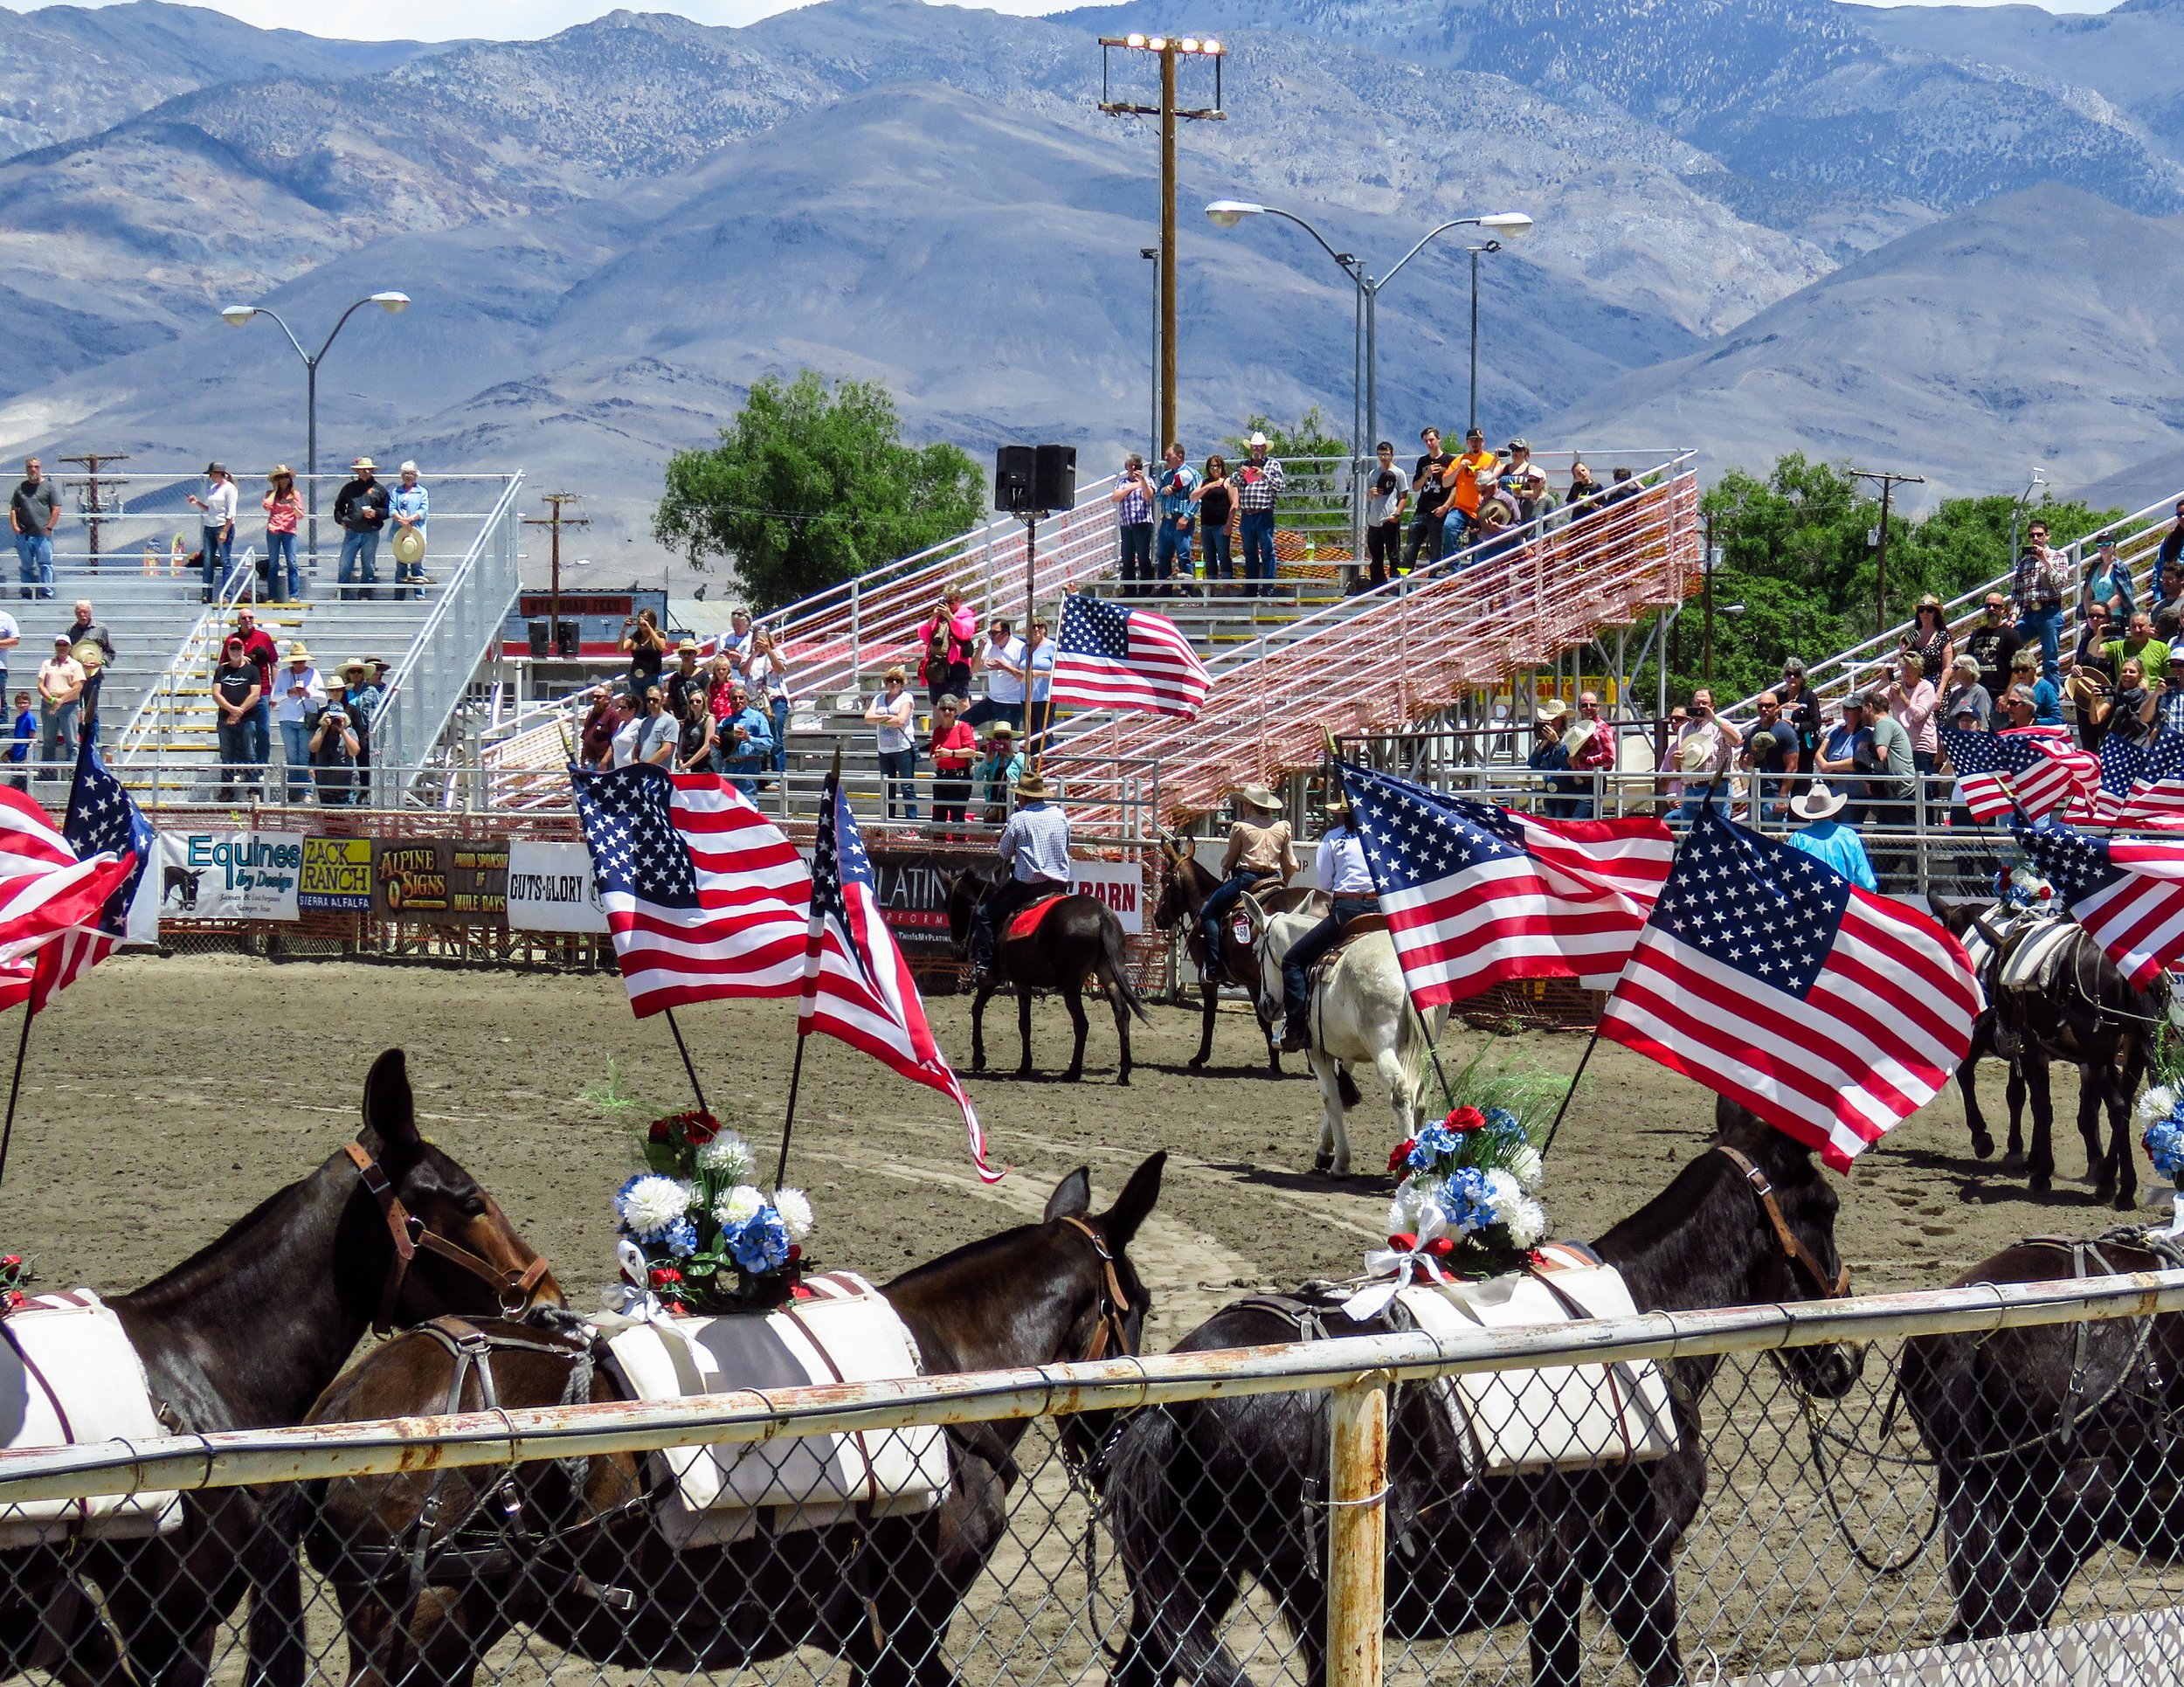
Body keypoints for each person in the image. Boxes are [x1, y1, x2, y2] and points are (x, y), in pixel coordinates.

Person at [1279, 792, 1376, 1051]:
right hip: (1380, 910)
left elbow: (1325, 884)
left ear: (1341, 814)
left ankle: (1297, 1028)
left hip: (1347, 911)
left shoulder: (1333, 839)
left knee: (1293, 960)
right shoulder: (1379, 836)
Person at [975, 769, 1072, 978]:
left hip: (1028, 884)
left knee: (984, 914)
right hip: (1059, 883)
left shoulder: (1019, 819)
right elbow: (1066, 845)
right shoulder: (1060, 814)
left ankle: (985, 966)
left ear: (1023, 796)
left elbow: (1004, 853)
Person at [1197, 786, 1296, 976]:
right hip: (1274, 880)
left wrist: (1225, 868)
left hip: (1247, 879)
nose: (1242, 807)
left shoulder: (1241, 827)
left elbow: (1231, 859)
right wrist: (1285, 882)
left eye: (1244, 803)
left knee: (1209, 912)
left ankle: (1213, 966)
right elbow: (1290, 863)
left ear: (1249, 805)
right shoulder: (1283, 827)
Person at [1784, 782, 1875, 891]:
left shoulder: (1799, 838)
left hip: (1811, 902)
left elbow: (1790, 873)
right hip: (1845, 901)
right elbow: (1865, 881)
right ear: (1834, 811)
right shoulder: (1849, 836)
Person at [1669, 688, 1740, 823]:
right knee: (1688, 835)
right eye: (1697, 703)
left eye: (1705, 703)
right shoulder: (1684, 729)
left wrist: (1714, 719)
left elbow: (1736, 741)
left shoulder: (1722, 724)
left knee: (1717, 833)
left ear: (1712, 706)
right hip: (1690, 789)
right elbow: (1678, 765)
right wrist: (1675, 760)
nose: (1701, 707)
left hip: (1716, 788)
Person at [2012, 520, 2071, 677]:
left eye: (2040, 535)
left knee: (2050, 660)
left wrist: (2045, 561)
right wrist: (2013, 617)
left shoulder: (2059, 556)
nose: (2036, 538)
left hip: (2049, 612)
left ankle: (2051, 698)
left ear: (2047, 536)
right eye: (2032, 535)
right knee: (2010, 643)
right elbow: (2018, 592)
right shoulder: (2024, 563)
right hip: (2029, 614)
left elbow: (2060, 584)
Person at [212, 634, 262, 803]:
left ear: (243, 650)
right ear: (227, 650)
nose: (235, 651)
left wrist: (239, 711)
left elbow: (255, 694)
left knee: (250, 753)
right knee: (226, 755)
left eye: (238, 648)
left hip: (247, 718)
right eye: (232, 648)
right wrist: (231, 710)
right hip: (225, 718)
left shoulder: (252, 670)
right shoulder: (221, 669)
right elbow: (216, 693)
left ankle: (253, 789)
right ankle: (227, 790)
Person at [331, 457, 389, 602]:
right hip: (352, 530)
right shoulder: (349, 488)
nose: (365, 472)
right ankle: (343, 593)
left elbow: (388, 510)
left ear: (372, 471)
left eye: (368, 470)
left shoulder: (379, 489)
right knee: (345, 563)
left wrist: (376, 513)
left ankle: (365, 592)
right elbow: (339, 507)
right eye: (363, 470)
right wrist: (342, 521)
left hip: (371, 531)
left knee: (368, 564)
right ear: (358, 471)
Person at [1234, 432, 1284, 598]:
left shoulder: (1273, 465)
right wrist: (1240, 474)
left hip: (1264, 514)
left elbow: (1280, 485)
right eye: (1254, 447)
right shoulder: (1244, 465)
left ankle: (1268, 588)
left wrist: (1264, 475)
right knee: (1249, 552)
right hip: (1247, 514)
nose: (1256, 450)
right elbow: (1233, 482)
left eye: (1259, 447)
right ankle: (1251, 588)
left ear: (1264, 449)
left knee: (1267, 551)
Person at [274, 642, 324, 803]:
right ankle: (293, 791)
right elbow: (275, 697)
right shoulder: (283, 674)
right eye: (296, 661)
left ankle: (306, 791)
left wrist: (308, 693)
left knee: (303, 757)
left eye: (301, 661)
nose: (299, 664)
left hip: (306, 720)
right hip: (287, 719)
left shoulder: (314, 673)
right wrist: (289, 693)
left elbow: (323, 698)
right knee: (292, 757)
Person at [866, 665, 918, 819]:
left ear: (903, 683)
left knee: (906, 786)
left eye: (898, 680)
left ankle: (911, 821)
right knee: (888, 787)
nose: (894, 683)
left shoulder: (907, 697)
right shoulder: (879, 698)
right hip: (884, 749)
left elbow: (901, 720)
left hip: (903, 749)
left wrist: (880, 718)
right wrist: (889, 718)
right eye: (890, 680)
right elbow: (868, 718)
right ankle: (889, 819)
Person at [1740, 691, 1800, 824]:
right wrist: (1746, 762)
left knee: (1775, 840)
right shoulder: (1753, 732)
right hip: (1755, 791)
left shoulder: (1785, 731)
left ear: (1777, 707)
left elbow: (1792, 766)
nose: (1764, 709)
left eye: (1769, 705)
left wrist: (1782, 796)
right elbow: (1742, 763)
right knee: (1754, 838)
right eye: (1760, 706)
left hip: (1775, 793)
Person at [1816, 695, 1876, 823]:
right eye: (1845, 708)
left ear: (1860, 711)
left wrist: (1830, 767)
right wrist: (1825, 767)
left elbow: (1858, 761)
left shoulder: (1866, 733)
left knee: (1849, 829)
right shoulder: (1836, 731)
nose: (1846, 712)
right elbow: (1819, 753)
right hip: (1833, 793)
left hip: (1853, 794)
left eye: (1851, 709)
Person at [232, 605, 279, 767]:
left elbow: (273, 664)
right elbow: (224, 664)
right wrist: (242, 659)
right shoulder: (233, 640)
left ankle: (261, 767)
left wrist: (274, 691)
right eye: (244, 618)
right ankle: (245, 767)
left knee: (263, 732)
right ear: (238, 621)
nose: (247, 620)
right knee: (245, 732)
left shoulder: (264, 637)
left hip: (262, 691)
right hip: (239, 693)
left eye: (250, 617)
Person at [9, 458, 60, 602]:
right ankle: (26, 592)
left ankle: (47, 593)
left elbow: (56, 508)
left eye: (36, 467)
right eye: (30, 467)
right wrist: (14, 526)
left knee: (45, 564)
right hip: (24, 535)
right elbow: (14, 509)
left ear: (40, 468)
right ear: (26, 469)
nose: (33, 470)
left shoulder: (49, 487)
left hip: (42, 535)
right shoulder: (20, 488)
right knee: (26, 565)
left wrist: (50, 527)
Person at [918, 587, 977, 710]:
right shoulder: (938, 618)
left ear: (959, 600)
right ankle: (940, 729)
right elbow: (923, 635)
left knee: (961, 702)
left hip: (958, 665)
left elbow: (965, 633)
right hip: (937, 664)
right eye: (946, 602)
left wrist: (950, 617)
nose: (948, 606)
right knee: (938, 704)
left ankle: (965, 729)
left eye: (951, 602)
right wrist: (933, 617)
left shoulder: (965, 616)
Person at [1404, 427, 1454, 572]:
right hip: (1422, 509)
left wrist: (1445, 506)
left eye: (1431, 440)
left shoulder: (1450, 460)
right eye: (1426, 441)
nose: (1429, 443)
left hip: (1438, 509)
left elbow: (1455, 488)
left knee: (1436, 549)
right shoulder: (1423, 461)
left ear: (1439, 439)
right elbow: (1415, 487)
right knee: (1410, 549)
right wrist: (1425, 475)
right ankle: (1404, 581)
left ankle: (1434, 582)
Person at [1361, 441, 1408, 591]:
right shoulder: (1373, 474)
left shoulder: (1399, 473)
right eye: (1381, 454)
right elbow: (1369, 498)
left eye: (1386, 454)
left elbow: (1404, 496)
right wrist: (1370, 494)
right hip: (1374, 519)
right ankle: (1377, 586)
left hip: (1389, 518)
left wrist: (1397, 514)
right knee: (1376, 557)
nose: (1383, 457)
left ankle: (1396, 586)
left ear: (1392, 455)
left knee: (1393, 555)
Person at [188, 462, 238, 603]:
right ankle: (206, 593)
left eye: (211, 474)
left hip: (222, 526)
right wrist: (196, 503)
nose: (210, 477)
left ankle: (227, 595)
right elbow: (211, 509)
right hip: (209, 526)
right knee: (208, 560)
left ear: (218, 473)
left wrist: (225, 531)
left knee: (225, 560)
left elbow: (231, 512)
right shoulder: (213, 488)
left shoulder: (230, 488)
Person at [744, 625, 791, 775]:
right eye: (757, 636)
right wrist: (754, 653)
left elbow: (780, 669)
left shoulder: (777, 652)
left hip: (774, 698)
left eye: (763, 635)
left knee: (775, 732)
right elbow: (743, 671)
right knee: (758, 735)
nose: (760, 639)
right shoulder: (748, 654)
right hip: (755, 700)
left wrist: (768, 651)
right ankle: (761, 774)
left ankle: (778, 775)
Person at [927, 694, 978, 832]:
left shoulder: (963, 727)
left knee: (957, 815)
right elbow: (933, 754)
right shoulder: (938, 731)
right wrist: (934, 758)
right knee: (938, 815)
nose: (947, 712)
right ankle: (938, 848)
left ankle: (958, 850)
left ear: (956, 711)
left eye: (950, 709)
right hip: (942, 776)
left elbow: (971, 751)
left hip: (959, 777)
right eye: (943, 709)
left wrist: (951, 753)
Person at [1153, 443, 1199, 595]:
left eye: (1169, 456)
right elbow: (1157, 497)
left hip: (1182, 520)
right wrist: (1163, 491)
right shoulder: (1166, 475)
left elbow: (1196, 500)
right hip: (1167, 519)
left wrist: (1186, 517)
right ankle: (1164, 587)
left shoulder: (1192, 474)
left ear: (1180, 456)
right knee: (1163, 554)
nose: (1166, 459)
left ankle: (1186, 588)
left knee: (1183, 554)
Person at [1529, 701, 1586, 819]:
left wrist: (1556, 742)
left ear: (1562, 719)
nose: (1550, 722)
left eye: (1554, 719)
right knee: (1551, 824)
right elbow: (1532, 764)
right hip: (1550, 792)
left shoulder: (1572, 737)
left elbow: (1569, 761)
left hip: (1566, 792)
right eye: (1548, 719)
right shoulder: (1546, 744)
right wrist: (1543, 744)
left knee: (1561, 823)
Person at [1884, 652, 1939, 774]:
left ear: (1919, 669)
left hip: (1921, 745)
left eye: (1910, 669)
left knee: (1923, 788)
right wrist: (1883, 684)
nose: (1905, 672)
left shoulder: (1927, 687)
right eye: (1903, 669)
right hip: (1901, 745)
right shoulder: (1898, 686)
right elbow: (1878, 702)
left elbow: (1918, 715)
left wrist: (1901, 696)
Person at [969, 616, 1026, 731]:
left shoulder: (1020, 648)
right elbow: (974, 670)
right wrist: (980, 649)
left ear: (1005, 633)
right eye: (990, 633)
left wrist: (1003, 666)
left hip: (1012, 702)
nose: (991, 636)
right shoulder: (989, 645)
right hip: (992, 699)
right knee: (963, 722)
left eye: (995, 633)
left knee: (1006, 736)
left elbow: (1024, 677)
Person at [308, 683, 362, 805]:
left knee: (346, 822)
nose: (334, 721)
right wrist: (324, 728)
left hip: (347, 787)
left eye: (337, 718)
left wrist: (342, 730)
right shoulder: (321, 731)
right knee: (328, 822)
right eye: (332, 717)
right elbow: (313, 748)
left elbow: (354, 751)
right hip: (325, 786)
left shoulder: (350, 732)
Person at [1964, 594, 2022, 704]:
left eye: (1996, 606)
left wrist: (2007, 695)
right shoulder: (1977, 634)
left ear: (2003, 609)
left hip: (1999, 696)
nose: (1991, 609)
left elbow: (2018, 668)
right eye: (1988, 606)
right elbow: (1967, 662)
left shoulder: (2010, 634)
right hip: (1976, 694)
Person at [35, 633, 82, 771]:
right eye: (58, 644)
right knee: (49, 740)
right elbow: (40, 685)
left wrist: (61, 700)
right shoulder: (47, 663)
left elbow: (78, 686)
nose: (61, 647)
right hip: (49, 704)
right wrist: (52, 699)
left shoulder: (75, 665)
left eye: (64, 645)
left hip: (68, 705)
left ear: (70, 647)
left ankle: (73, 772)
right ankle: (47, 771)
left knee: (71, 741)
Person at [1446, 428, 1497, 549]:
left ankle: (1478, 566)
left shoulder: (1491, 460)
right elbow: (1446, 483)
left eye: (1478, 441)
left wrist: (1492, 465)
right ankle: (1454, 566)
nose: (1475, 444)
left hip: (1483, 508)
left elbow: (1495, 479)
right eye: (1472, 441)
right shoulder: (1459, 460)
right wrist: (1459, 468)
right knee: (1449, 526)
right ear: (1467, 443)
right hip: (1461, 508)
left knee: (1479, 544)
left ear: (1483, 442)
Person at [1114, 455, 1156, 591]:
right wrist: (1131, 487)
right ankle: (1129, 590)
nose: (1132, 469)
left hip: (1142, 523)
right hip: (1127, 524)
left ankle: (1146, 589)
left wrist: (1142, 481)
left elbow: (1148, 496)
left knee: (1143, 556)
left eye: (1136, 466)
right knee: (1127, 557)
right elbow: (1116, 497)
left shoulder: (1148, 480)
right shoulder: (1121, 483)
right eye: (1130, 466)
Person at [389, 461, 430, 598]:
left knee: (416, 563)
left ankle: (420, 595)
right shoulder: (396, 491)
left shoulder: (422, 492)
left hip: (415, 531)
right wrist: (400, 519)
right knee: (400, 564)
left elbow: (423, 509)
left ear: (416, 475)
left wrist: (410, 519)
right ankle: (399, 595)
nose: (408, 476)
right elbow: (392, 508)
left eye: (411, 473)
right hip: (400, 531)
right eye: (406, 473)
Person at [262, 467, 303, 603]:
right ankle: (273, 595)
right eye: (281, 477)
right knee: (273, 563)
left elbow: (300, 516)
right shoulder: (271, 494)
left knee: (291, 562)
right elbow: (266, 506)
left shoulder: (295, 494)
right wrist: (274, 492)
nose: (284, 480)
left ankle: (294, 595)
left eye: (286, 477)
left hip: (289, 530)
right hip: (274, 529)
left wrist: (294, 507)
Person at [972, 722, 1025, 825]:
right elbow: (977, 777)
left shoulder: (1019, 756)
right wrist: (987, 761)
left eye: (1005, 737)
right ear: (993, 740)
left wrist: (1012, 756)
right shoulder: (990, 758)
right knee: (993, 830)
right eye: (998, 737)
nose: (1002, 741)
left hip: (1013, 801)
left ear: (1011, 740)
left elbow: (1027, 772)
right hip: (993, 802)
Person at [1194, 455, 1235, 587]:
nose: (1214, 469)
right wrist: (1209, 486)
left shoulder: (1228, 482)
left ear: (1222, 467)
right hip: (1206, 525)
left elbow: (1234, 503)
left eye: (1216, 466)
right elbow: (1193, 496)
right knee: (1209, 556)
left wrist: (1229, 524)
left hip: (1221, 525)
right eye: (1211, 466)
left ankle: (1226, 587)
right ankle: (1210, 588)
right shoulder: (1204, 482)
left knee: (1223, 555)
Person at [1777, 657, 1821, 770]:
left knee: (1802, 782)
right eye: (1788, 674)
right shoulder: (1780, 697)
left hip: (1803, 745)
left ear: (1802, 678)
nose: (1792, 677)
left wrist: (1796, 726)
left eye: (1796, 674)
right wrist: (1782, 707)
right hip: (1782, 745)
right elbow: (1770, 716)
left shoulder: (1809, 696)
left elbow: (1816, 722)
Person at [2105, 610, 2171, 681]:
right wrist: (2099, 636)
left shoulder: (2162, 648)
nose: (2137, 630)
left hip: (2153, 691)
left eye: (2141, 626)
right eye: (2133, 626)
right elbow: (2094, 651)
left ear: (2150, 626)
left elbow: (2169, 675)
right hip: (2126, 691)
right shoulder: (2119, 646)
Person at [1023, 616, 1056, 754]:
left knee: (1044, 735)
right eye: (1033, 626)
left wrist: (1040, 673)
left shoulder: (1052, 647)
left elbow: (1059, 673)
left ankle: (1048, 766)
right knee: (1030, 737)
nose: (1036, 629)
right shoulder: (1025, 648)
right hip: (1026, 698)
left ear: (1045, 629)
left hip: (1044, 698)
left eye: (1040, 626)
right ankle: (1032, 768)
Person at [1904, 595, 1952, 687]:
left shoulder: (1942, 636)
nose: (1925, 613)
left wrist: (1940, 692)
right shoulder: (1913, 635)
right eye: (1921, 610)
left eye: (1929, 610)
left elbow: (1947, 668)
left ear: (1936, 613)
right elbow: (1903, 661)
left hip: (1935, 686)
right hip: (1914, 686)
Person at [620, 608, 667, 702]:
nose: (643, 622)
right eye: (641, 619)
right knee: (638, 706)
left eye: (646, 619)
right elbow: (620, 649)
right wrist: (624, 629)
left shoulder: (659, 634)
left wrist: (649, 628)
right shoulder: (636, 636)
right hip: (636, 677)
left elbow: (661, 646)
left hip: (652, 677)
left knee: (652, 704)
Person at [1502, 439, 1550, 526]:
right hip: (1506, 509)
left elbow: (1541, 492)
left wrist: (1522, 493)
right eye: (1513, 449)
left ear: (1525, 451)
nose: (1515, 452)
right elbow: (1490, 477)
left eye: (1518, 449)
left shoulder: (1531, 469)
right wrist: (1495, 460)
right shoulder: (1504, 468)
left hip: (1523, 508)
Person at [1941, 653, 1992, 731]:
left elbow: (1983, 722)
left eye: (1956, 668)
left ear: (1969, 670)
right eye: (1952, 668)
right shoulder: (1955, 693)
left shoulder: (1980, 692)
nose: (1953, 671)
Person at [674, 686, 716, 775]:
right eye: (692, 702)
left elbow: (707, 747)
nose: (695, 704)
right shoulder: (687, 721)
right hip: (686, 766)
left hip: (702, 766)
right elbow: (681, 745)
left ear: (704, 703)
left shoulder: (709, 719)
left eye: (698, 701)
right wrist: (681, 761)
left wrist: (689, 763)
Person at [633, 685, 677, 769]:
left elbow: (666, 750)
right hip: (643, 773)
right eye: (649, 700)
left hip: (659, 774)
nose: (651, 703)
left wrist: (645, 766)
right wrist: (636, 763)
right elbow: (636, 748)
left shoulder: (670, 721)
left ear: (663, 700)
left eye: (655, 700)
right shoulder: (644, 722)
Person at [577, 682, 618, 770]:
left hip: (605, 763)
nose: (595, 699)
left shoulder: (613, 715)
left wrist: (605, 761)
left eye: (599, 697)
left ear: (608, 698)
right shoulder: (591, 714)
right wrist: (582, 758)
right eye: (594, 697)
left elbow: (614, 741)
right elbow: (586, 738)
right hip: (591, 761)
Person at [663, 640, 705, 719]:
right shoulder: (675, 678)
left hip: (698, 719)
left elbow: (707, 700)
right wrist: (674, 718)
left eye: (689, 653)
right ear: (679, 655)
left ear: (695, 654)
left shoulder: (703, 676)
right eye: (683, 653)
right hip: (679, 719)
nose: (686, 656)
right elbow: (671, 701)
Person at [5, 692, 30, 792]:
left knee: (20, 782)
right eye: (19, 703)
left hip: (23, 755)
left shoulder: (29, 717)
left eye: (24, 702)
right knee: (16, 779)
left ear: (29, 704)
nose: (22, 705)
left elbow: (31, 734)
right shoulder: (19, 719)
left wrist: (27, 755)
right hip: (16, 754)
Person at [2161, 652, 2184, 740]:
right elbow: (2144, 719)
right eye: (2173, 665)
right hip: (2169, 745)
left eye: (2181, 665)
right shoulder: (2164, 692)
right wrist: (2155, 694)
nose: (2176, 669)